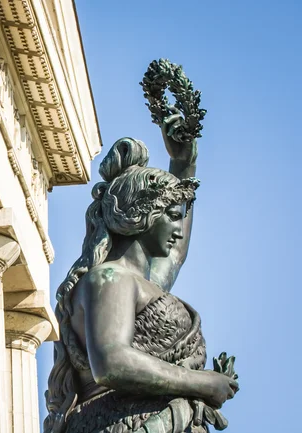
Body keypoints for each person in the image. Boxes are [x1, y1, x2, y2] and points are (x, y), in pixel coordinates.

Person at [43, 116, 239, 433]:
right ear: (143, 214)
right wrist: (201, 383)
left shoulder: (140, 282)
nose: (178, 229)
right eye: (173, 216)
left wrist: (184, 163)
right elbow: (112, 362)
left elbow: (176, 255)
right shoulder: (110, 279)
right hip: (120, 424)